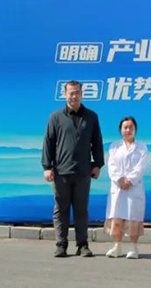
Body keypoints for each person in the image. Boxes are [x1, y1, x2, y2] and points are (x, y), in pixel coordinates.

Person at [42, 80, 104, 258]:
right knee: (61, 209)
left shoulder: (91, 117)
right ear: (65, 94)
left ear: (82, 94)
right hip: (61, 171)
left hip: (83, 171)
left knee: (81, 210)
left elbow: (97, 142)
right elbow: (48, 142)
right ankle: (61, 245)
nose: (74, 96)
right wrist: (47, 167)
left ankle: (82, 245)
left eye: (77, 92)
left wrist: (97, 164)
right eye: (70, 93)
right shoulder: (56, 117)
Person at [105, 117, 147, 259]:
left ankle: (134, 248)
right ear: (121, 130)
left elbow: (140, 167)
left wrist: (130, 180)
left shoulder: (141, 147)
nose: (128, 130)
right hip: (118, 188)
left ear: (135, 129)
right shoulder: (114, 147)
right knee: (117, 218)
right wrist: (120, 180)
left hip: (134, 188)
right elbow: (111, 166)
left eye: (131, 127)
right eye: (125, 127)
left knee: (133, 218)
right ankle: (117, 247)